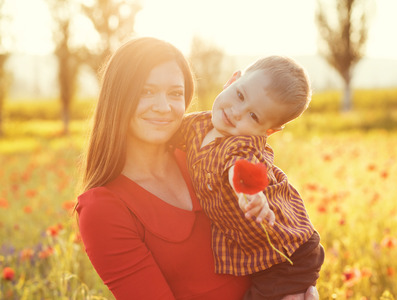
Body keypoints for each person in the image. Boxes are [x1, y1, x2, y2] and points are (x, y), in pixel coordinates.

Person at [76, 37, 320, 300]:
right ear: (118, 95)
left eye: (175, 93)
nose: (163, 107)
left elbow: (242, 168)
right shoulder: (103, 208)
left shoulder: (204, 157)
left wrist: (297, 289)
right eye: (146, 91)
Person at [174, 56, 325, 300]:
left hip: (289, 254)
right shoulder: (196, 125)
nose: (236, 112)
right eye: (240, 95)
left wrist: (248, 194)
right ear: (232, 80)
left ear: (268, 132)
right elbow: (166, 134)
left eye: (253, 116)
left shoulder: (243, 145)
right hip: (260, 254)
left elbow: (240, 167)